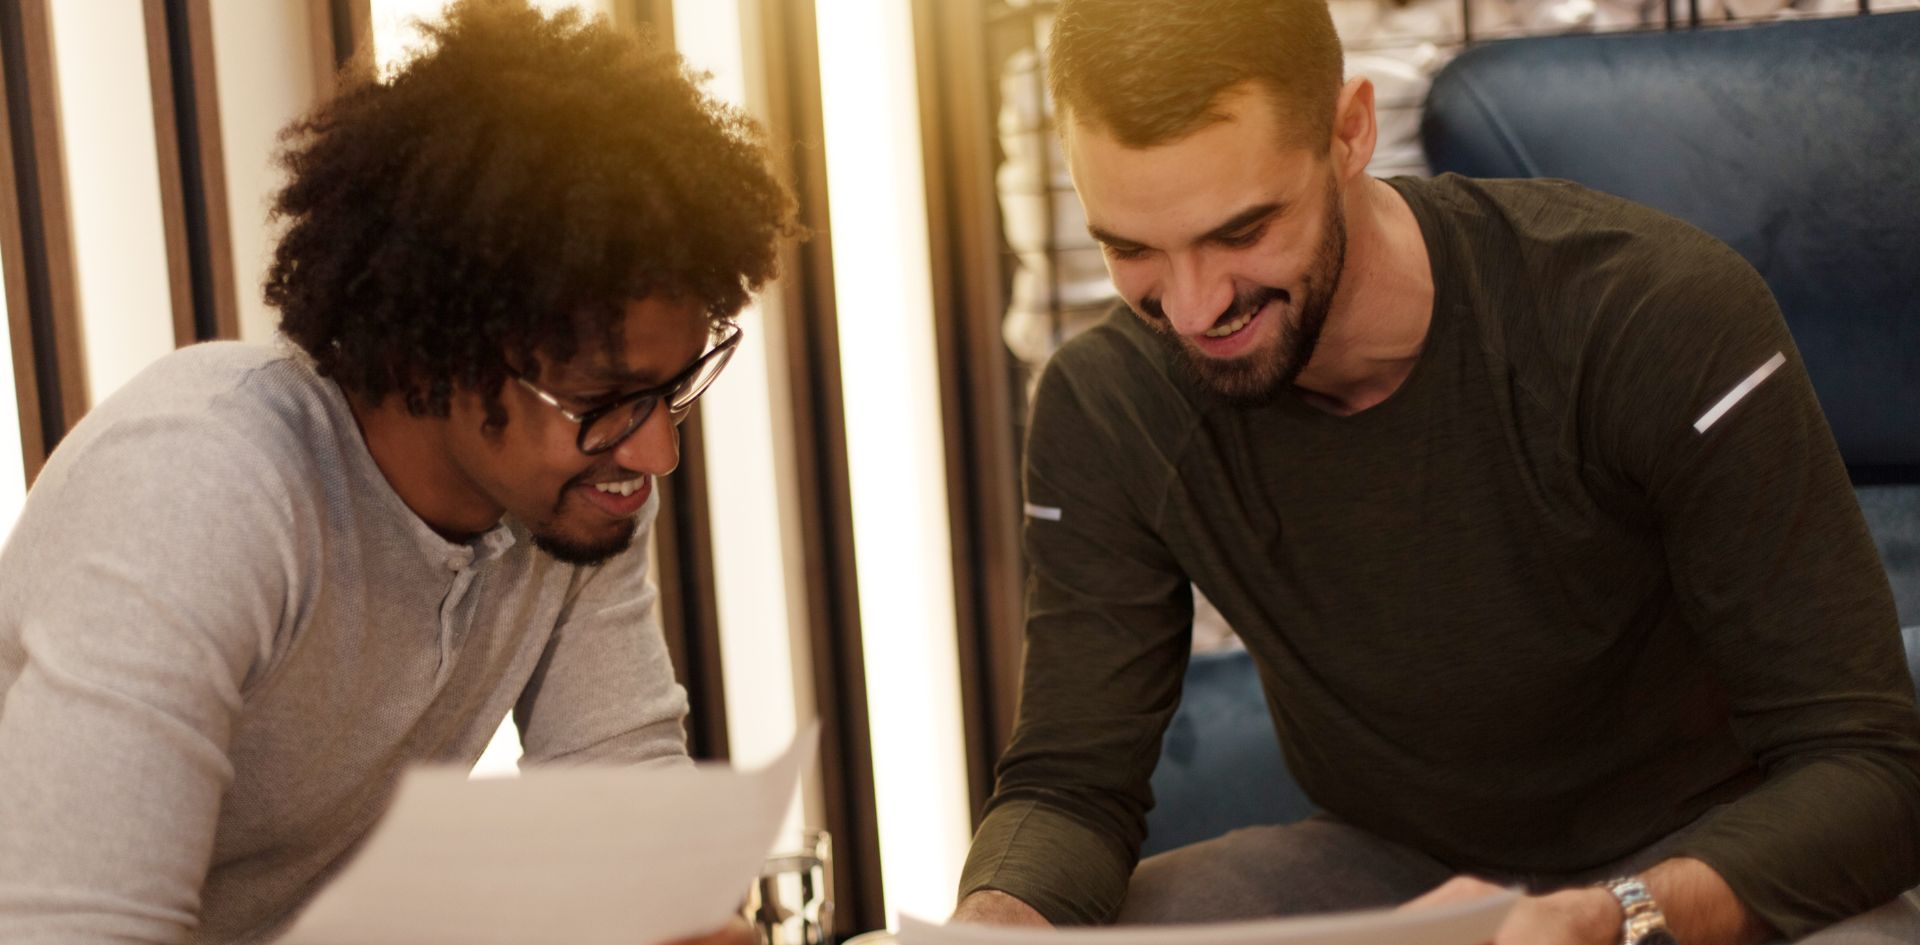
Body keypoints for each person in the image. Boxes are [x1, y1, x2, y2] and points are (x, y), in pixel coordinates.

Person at [950, 1, 1920, 943]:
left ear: (1350, 131)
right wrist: (984, 930)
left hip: (1711, 864)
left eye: (1241, 233)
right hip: (1388, 880)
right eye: (1132, 250)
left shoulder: (1649, 314)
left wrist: (1616, 917)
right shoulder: (1106, 405)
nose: (1196, 310)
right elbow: (1070, 788)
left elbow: (1874, 772)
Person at [0, 2, 793, 942]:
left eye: (672, 389)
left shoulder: (568, 495)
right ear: (435, 355)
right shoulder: (205, 485)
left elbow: (628, 834)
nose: (656, 451)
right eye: (603, 400)